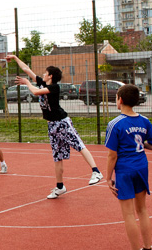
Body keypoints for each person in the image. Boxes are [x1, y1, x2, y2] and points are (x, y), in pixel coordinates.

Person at [5, 54, 103, 199]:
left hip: (62, 123)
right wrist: (14, 57)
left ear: (50, 76)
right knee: (57, 156)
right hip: (52, 125)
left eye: (45, 73)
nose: (43, 74)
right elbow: (27, 69)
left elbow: (35, 92)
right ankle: (60, 187)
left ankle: (96, 171)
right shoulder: (42, 82)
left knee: (79, 145)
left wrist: (26, 83)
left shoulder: (54, 87)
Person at [105, 85, 152, 250]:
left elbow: (112, 155)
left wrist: (108, 177)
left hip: (125, 170)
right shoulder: (144, 120)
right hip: (141, 167)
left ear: (120, 100)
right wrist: (143, 145)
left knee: (129, 214)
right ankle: (148, 249)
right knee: (142, 209)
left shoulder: (115, 124)